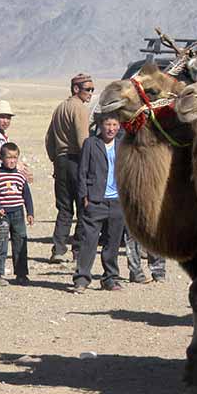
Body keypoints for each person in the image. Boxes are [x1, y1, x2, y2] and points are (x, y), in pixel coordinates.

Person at [73, 113, 125, 292]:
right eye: (108, 124)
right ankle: (82, 279)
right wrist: (84, 197)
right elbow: (82, 172)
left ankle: (110, 278)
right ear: (100, 126)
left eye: (114, 124)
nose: (111, 128)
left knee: (113, 242)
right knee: (89, 240)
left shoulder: (122, 144)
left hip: (117, 201)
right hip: (95, 200)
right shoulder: (91, 143)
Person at [45, 74, 93, 263]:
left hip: (61, 161)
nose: (90, 93)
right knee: (83, 206)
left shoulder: (60, 108)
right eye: (87, 89)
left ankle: (58, 249)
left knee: (64, 208)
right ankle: (78, 250)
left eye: (92, 90)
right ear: (75, 89)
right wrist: (89, 165)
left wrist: (55, 160)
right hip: (76, 160)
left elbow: (48, 139)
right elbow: (84, 141)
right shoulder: (79, 108)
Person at [0, 142, 33, 286]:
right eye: (8, 157)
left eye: (15, 158)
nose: (12, 161)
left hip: (18, 212)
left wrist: (30, 212)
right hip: (2, 214)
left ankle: (22, 274)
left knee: (20, 242)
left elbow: (27, 195)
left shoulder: (20, 176)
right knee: (0, 243)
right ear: (1, 158)